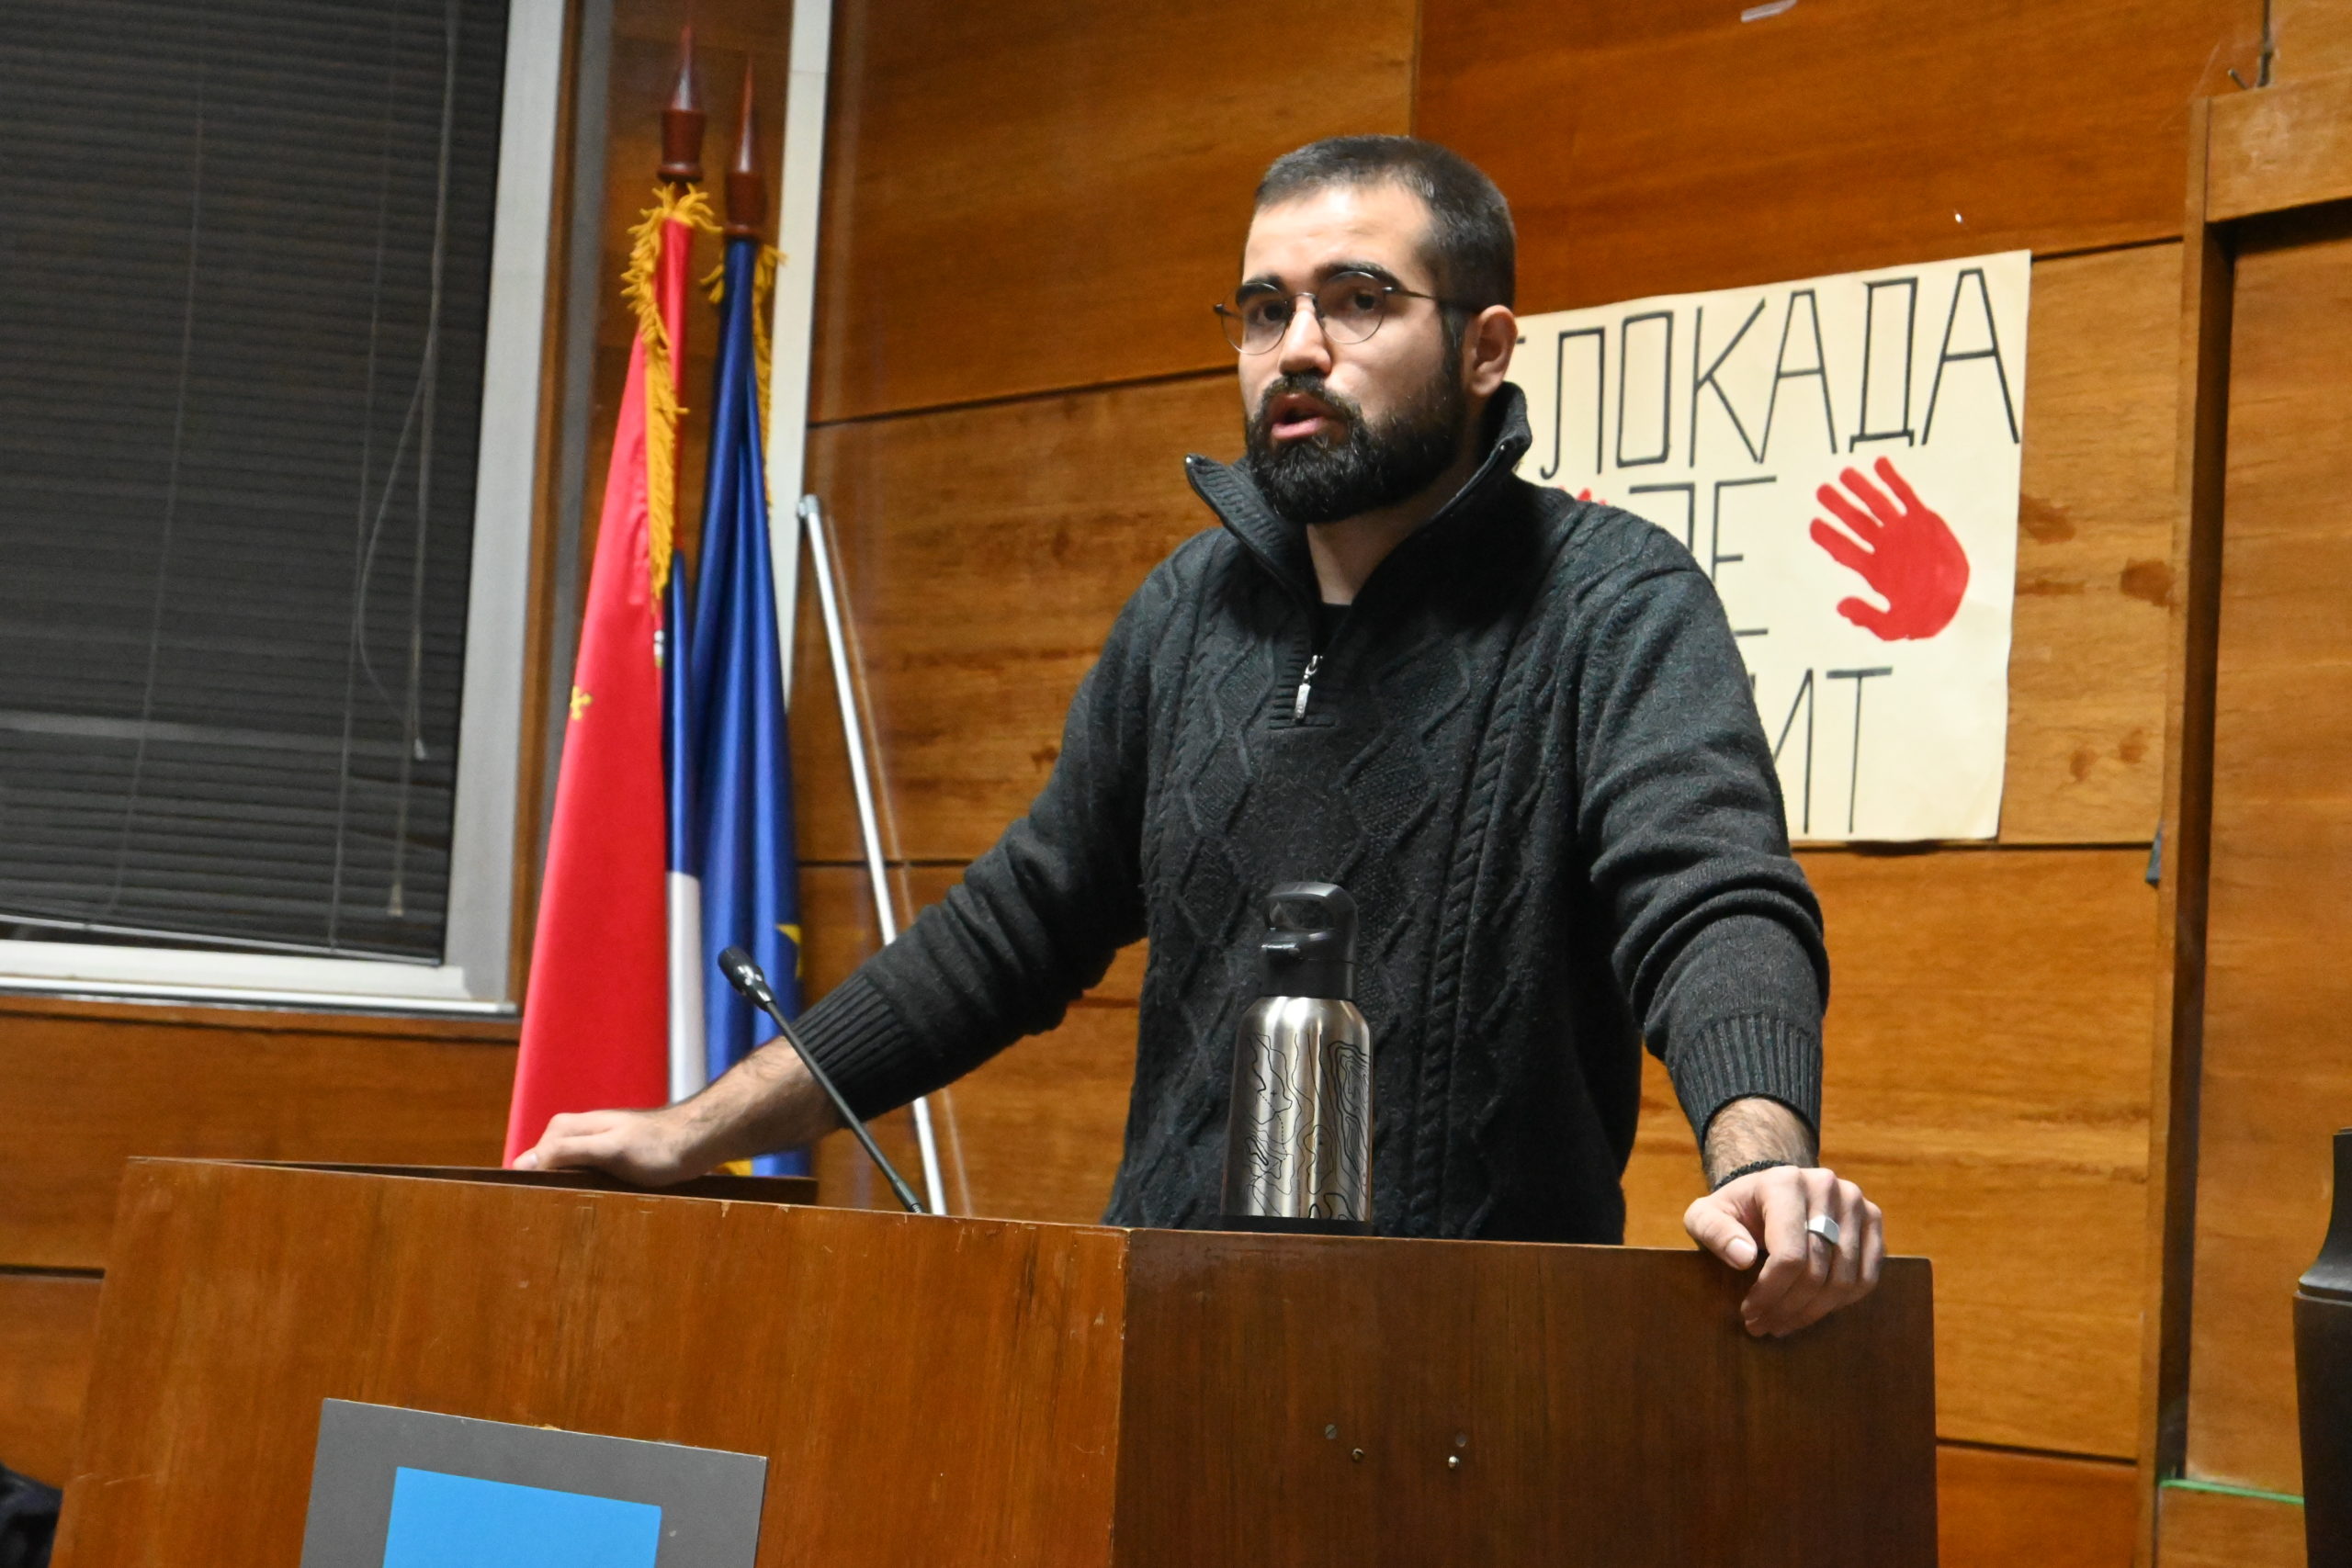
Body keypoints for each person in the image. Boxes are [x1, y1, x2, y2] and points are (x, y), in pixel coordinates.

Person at [519, 135, 1886, 1337]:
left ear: (1484, 349)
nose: (1299, 348)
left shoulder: (1612, 600)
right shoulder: (1187, 610)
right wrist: (697, 1130)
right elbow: (1012, 930)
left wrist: (1761, 1159)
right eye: (1265, 309)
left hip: (1480, 1362)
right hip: (1161, 1336)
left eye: (1360, 300)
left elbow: (1709, 898)